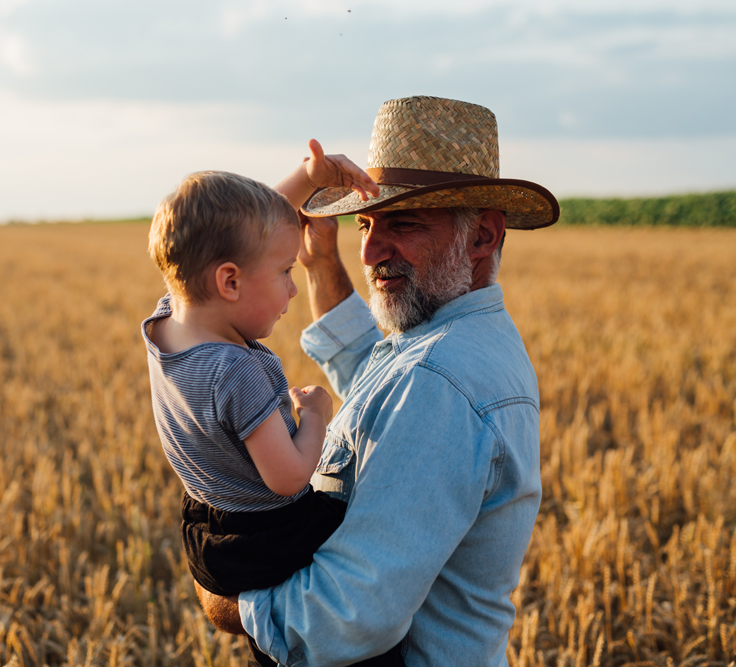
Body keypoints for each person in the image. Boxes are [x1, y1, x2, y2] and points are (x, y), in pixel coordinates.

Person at [196, 95, 560, 666]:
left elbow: (350, 615)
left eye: (403, 224)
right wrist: (319, 262)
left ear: (482, 237)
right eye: (365, 223)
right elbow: (372, 370)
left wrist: (228, 599)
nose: (368, 250)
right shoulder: (450, 340)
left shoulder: (440, 380)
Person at [141, 146, 384, 664]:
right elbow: (291, 476)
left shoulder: (168, 323)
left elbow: (246, 233)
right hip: (267, 538)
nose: (293, 291)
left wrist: (308, 177)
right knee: (375, 524)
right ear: (229, 281)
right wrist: (315, 414)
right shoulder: (237, 372)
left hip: (209, 524)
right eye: (285, 273)